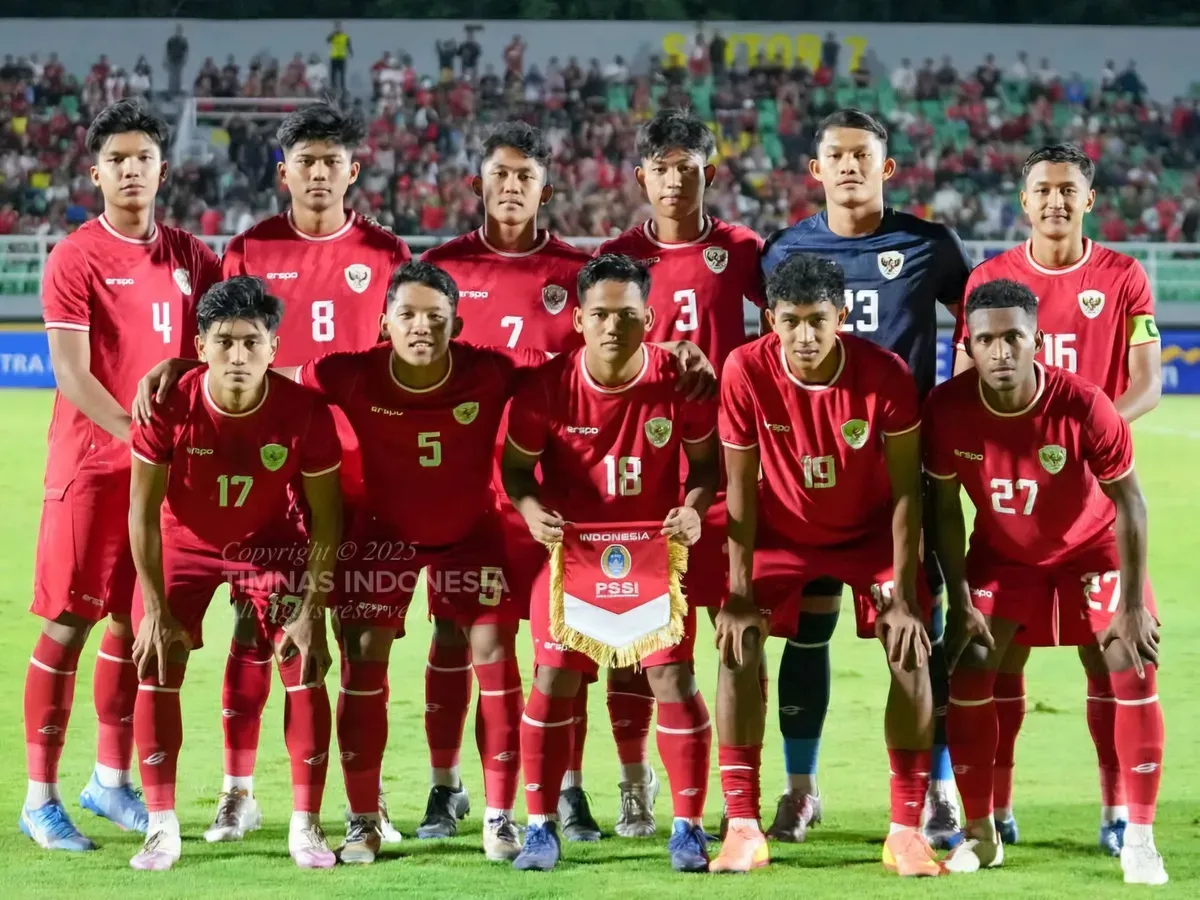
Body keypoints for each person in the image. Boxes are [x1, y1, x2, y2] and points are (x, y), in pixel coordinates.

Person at [760, 108, 973, 848]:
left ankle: (939, 791)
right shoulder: (786, 249)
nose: (849, 166)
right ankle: (800, 790)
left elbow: (976, 323)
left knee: (920, 637)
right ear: (814, 170)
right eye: (835, 156)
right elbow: (770, 352)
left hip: (899, 484)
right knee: (807, 634)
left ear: (888, 169)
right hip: (812, 484)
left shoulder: (928, 245)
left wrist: (957, 403)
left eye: (864, 155)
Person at [20, 98, 221, 852]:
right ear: (96, 171)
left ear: (162, 169)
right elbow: (71, 374)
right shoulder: (75, 256)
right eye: (117, 160)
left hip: (162, 476)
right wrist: (138, 439)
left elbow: (211, 361)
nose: (131, 170)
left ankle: (109, 780)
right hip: (94, 469)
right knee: (67, 622)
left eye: (143, 158)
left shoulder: (193, 259)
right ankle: (38, 798)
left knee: (136, 629)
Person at [208, 101, 411, 845]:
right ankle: (237, 792)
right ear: (282, 171)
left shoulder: (388, 254)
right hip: (271, 481)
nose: (319, 173)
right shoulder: (246, 251)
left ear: (352, 171)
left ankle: (367, 798)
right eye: (306, 161)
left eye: (332, 161)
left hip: (362, 478)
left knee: (364, 645)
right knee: (257, 631)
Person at [293, 260, 543, 864]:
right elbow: (268, 379)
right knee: (363, 664)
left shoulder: (492, 369)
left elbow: (573, 363)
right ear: (383, 322)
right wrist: (183, 371)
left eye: (436, 316)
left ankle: (498, 818)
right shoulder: (347, 372)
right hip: (383, 537)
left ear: (457, 323)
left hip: (470, 533)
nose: (421, 326)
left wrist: (670, 350)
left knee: (495, 658)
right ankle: (361, 821)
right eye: (407, 314)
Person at [951, 144, 1162, 854]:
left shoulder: (1123, 276)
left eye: (1069, 190)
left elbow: (1149, 382)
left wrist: (1086, 433)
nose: (1055, 201)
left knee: (1111, 658)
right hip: (1009, 516)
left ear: (1090, 199)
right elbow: (961, 383)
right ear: (1023, 200)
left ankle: (1115, 814)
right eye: (1042, 190)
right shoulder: (991, 277)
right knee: (992, 660)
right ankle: (996, 809)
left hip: (1092, 499)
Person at [926, 279, 1166, 885]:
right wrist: (957, 598)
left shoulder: (1084, 404)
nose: (1001, 351)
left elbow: (1131, 505)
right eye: (986, 340)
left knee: (1131, 662)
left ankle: (1139, 836)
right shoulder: (947, 409)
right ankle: (980, 835)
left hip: (1093, 552)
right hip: (1004, 559)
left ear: (1037, 340)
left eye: (1014, 337)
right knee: (972, 663)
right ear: (969, 345)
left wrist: (1134, 605)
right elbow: (945, 509)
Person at [712, 253, 941, 876]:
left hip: (869, 535)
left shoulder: (885, 375)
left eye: (819, 320)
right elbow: (738, 488)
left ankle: (906, 830)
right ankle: (741, 826)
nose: (805, 336)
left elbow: (904, 492)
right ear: (770, 320)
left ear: (842, 316)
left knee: (910, 648)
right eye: (791, 321)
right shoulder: (744, 369)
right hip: (781, 533)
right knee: (736, 645)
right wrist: (736, 593)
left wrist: (904, 594)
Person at [502, 254, 719, 873]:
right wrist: (530, 508)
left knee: (672, 679)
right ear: (578, 318)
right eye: (600, 314)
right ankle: (541, 828)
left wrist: (693, 507)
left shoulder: (680, 381)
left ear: (650, 318)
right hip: (573, 552)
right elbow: (516, 469)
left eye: (627, 315)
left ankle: (688, 827)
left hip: (652, 547)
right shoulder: (545, 389)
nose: (613, 326)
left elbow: (704, 467)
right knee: (553, 680)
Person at [127, 276, 343, 871]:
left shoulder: (304, 413)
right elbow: (141, 513)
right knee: (156, 654)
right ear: (201, 345)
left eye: (252, 342)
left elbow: (327, 522)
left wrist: (311, 613)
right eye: (224, 342)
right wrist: (153, 608)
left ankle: (306, 825)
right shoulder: (169, 406)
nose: (239, 355)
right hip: (184, 541)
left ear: (275, 347)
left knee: (301, 659)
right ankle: (161, 827)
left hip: (269, 546)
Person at [417, 121, 594, 839]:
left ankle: (571, 790)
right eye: (501, 174)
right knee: (457, 639)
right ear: (478, 184)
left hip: (561, 497)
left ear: (545, 189)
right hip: (468, 499)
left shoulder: (578, 275)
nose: (512, 187)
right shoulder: (440, 270)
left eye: (526, 177)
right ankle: (444, 787)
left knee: (568, 648)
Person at [597, 108, 766, 837]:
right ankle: (637, 783)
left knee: (732, 633)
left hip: (725, 469)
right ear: (642, 177)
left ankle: (745, 796)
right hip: (638, 473)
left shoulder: (744, 249)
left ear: (710, 172)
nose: (674, 179)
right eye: (661, 167)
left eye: (687, 167)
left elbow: (790, 325)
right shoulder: (616, 255)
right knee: (627, 642)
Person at [327, 21, 352, 96]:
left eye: (339, 27)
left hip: (342, 57)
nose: (338, 29)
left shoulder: (345, 36)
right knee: (333, 74)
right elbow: (328, 40)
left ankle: (343, 88)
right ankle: (333, 87)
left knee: (342, 74)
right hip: (334, 56)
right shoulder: (333, 36)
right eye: (336, 27)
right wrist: (333, 33)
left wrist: (351, 52)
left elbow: (349, 45)